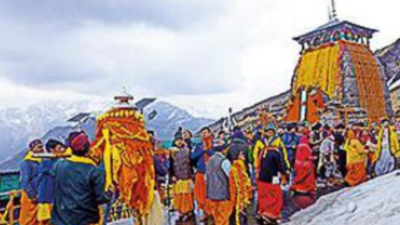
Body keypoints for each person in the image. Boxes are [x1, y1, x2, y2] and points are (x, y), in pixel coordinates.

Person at [51, 131, 112, 225]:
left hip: (60, 219)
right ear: (87, 148)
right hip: (84, 220)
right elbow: (101, 199)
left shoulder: (59, 165)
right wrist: (109, 193)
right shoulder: (94, 171)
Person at [256, 127, 288, 225]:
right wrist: (285, 173)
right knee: (274, 196)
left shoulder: (263, 151)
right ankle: (270, 214)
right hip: (271, 178)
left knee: (263, 196)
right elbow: (280, 165)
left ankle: (261, 212)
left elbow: (257, 163)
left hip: (262, 177)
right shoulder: (275, 152)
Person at [36, 140, 67, 225]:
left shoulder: (58, 162)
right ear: (52, 150)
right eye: (59, 148)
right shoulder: (49, 164)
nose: (63, 150)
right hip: (49, 198)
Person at [204, 144, 233, 225]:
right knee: (223, 216)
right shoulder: (224, 161)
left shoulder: (209, 160)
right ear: (223, 150)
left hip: (211, 193)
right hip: (223, 193)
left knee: (215, 214)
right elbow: (230, 176)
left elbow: (206, 178)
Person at [191, 127, 215, 220]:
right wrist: (202, 150)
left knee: (211, 193)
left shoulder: (214, 144)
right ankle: (204, 212)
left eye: (205, 132)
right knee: (201, 193)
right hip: (201, 172)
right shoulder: (198, 145)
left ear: (209, 133)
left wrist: (207, 150)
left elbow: (215, 154)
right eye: (202, 133)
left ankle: (212, 211)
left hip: (212, 173)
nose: (204, 134)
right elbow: (192, 157)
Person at [19, 139, 44, 225]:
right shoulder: (27, 162)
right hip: (30, 196)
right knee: (28, 220)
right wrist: (32, 195)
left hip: (40, 195)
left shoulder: (41, 160)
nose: (42, 149)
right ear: (32, 149)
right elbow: (24, 182)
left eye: (42, 147)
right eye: (39, 147)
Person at [170, 136, 195, 222]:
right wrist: (171, 175)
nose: (179, 142)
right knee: (179, 195)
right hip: (177, 176)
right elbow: (170, 164)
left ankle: (187, 211)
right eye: (177, 141)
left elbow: (191, 162)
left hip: (187, 175)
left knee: (187, 195)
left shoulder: (188, 150)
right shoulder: (172, 151)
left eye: (181, 140)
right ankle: (180, 211)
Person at [291, 135, 317, 210]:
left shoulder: (299, 146)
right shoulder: (305, 146)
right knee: (307, 179)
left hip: (298, 164)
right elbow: (307, 156)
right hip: (306, 165)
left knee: (300, 176)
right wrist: (313, 158)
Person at [228, 146, 252, 225]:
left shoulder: (237, 165)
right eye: (242, 154)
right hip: (239, 199)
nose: (244, 156)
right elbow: (240, 184)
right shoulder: (238, 166)